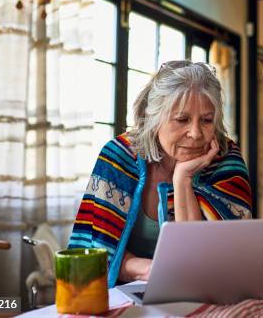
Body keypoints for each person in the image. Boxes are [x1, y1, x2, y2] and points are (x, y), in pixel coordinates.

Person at [68, 61, 252, 287]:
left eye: (206, 120)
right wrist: (147, 269)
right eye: (182, 119)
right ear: (154, 118)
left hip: (205, 296)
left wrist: (183, 180)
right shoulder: (118, 156)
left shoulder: (226, 161)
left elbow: (208, 264)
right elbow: (95, 250)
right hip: (122, 292)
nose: (195, 133)